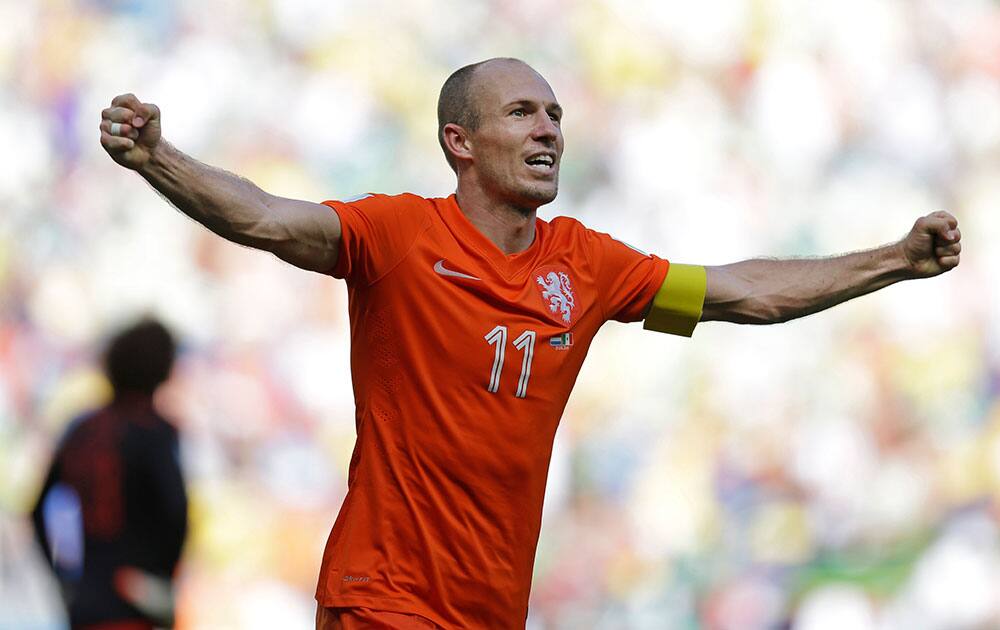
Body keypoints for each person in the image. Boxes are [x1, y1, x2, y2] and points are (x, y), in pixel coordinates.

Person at [98, 58, 961, 629]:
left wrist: (890, 261)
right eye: (522, 112)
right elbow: (263, 218)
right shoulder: (400, 236)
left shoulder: (587, 265)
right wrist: (158, 156)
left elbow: (743, 296)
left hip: (494, 611)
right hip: (383, 599)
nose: (549, 128)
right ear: (460, 143)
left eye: (554, 113)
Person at [32, 318, 188, 630]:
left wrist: (65, 576)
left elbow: (37, 510)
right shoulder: (152, 432)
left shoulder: (82, 429)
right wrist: (158, 581)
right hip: (130, 603)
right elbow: (175, 517)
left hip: (86, 601)